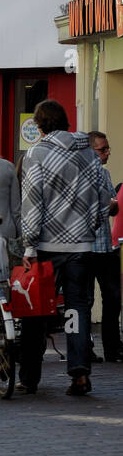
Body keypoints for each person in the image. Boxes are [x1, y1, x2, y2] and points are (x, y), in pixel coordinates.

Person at [19, 101, 113, 395]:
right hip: (81, 246)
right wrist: (90, 227)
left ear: (41, 124)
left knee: (36, 312)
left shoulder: (37, 154)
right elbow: (104, 198)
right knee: (77, 308)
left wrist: (29, 243)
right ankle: (79, 372)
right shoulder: (88, 152)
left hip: (47, 244)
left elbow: (33, 201)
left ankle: (30, 376)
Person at [87, 131, 122, 362]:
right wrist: (107, 206)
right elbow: (110, 205)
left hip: (104, 246)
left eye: (107, 148)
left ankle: (110, 347)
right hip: (86, 248)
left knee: (111, 299)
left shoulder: (105, 172)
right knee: (85, 301)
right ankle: (90, 348)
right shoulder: (84, 175)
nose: (108, 152)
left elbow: (114, 205)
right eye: (102, 149)